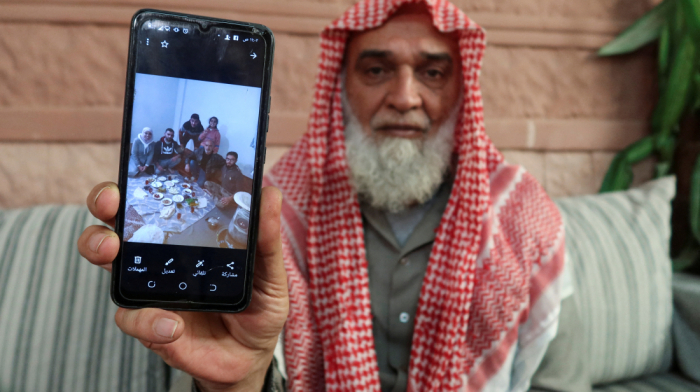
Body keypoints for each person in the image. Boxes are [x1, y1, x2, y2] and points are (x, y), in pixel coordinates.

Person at [78, 1, 589, 391]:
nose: (405, 97)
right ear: (341, 87)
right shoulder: (281, 209)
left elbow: (558, 378)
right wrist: (239, 382)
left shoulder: (523, 215)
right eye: (376, 70)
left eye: (433, 72)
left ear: (461, 90)